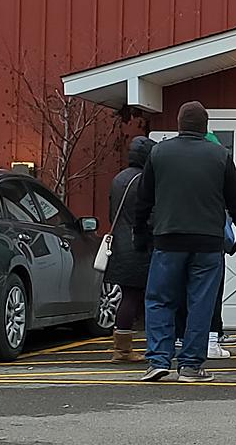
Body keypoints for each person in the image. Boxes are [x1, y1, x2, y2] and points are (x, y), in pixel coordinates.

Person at [134, 101, 236, 383]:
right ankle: (190, 365)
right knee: (202, 302)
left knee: (160, 299)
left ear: (178, 124)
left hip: (168, 237)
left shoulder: (159, 152)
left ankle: (158, 359)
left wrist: (140, 233)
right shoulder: (220, 156)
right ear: (205, 126)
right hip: (208, 241)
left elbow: (143, 198)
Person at [105, 136, 155, 363]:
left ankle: (121, 347)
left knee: (127, 296)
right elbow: (149, 215)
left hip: (120, 244)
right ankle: (126, 351)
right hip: (139, 244)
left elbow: (111, 212)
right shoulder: (144, 180)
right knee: (143, 297)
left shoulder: (119, 179)